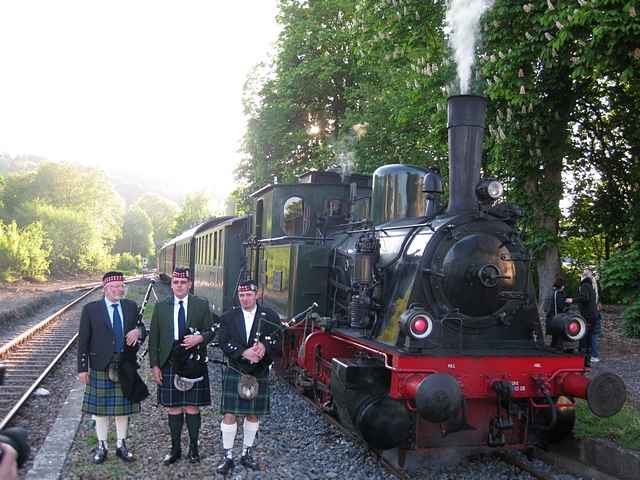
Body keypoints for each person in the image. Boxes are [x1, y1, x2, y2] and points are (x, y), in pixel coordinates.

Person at [77, 271, 147, 464]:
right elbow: (83, 341)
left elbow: (142, 328)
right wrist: (82, 368)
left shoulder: (131, 307)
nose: (119, 290)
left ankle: (121, 444)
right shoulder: (91, 310)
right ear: (105, 289)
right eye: (114, 287)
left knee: (123, 409)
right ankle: (102, 445)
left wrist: (137, 331)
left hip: (125, 363)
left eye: (121, 286)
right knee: (100, 410)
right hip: (100, 365)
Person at [149, 267, 215, 465]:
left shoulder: (201, 305)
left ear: (189, 284)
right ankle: (175, 448)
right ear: (171, 284)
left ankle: (193, 448)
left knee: (192, 407)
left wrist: (200, 338)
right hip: (169, 362)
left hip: (193, 363)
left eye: (183, 282)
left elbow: (211, 331)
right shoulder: (161, 307)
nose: (179, 286)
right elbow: (154, 340)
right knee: (173, 408)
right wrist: (155, 366)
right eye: (176, 282)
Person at [215, 279, 282, 475]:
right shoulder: (228, 316)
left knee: (253, 414)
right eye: (242, 295)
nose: (245, 299)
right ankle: (228, 457)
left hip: (258, 371)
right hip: (237, 369)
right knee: (229, 414)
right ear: (239, 297)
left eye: (249, 295)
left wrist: (264, 347)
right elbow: (223, 341)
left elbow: (279, 339)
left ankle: (246, 453)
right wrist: (243, 353)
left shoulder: (269, 316)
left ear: (257, 294)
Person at [566, 268, 599, 365]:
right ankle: (587, 358)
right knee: (589, 337)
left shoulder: (584, 285)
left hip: (588, 315)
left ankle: (583, 359)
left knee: (584, 336)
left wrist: (572, 300)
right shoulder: (591, 286)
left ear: (582, 277)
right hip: (593, 315)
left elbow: (585, 298)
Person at [546, 276, 568, 348]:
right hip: (556, 317)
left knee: (555, 338)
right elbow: (561, 306)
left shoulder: (554, 293)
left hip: (552, 317)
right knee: (558, 338)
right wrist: (567, 303)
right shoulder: (558, 294)